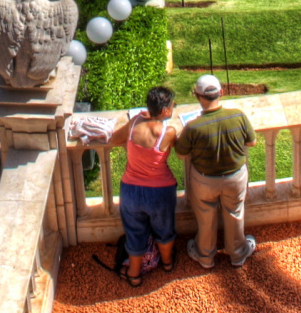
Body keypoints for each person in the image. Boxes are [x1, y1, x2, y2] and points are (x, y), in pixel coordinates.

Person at [175, 73, 257, 270]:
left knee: (205, 217)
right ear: (221, 92)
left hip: (204, 181)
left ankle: (205, 257)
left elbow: (180, 154)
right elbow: (252, 142)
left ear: (197, 96)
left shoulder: (193, 127)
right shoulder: (238, 116)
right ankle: (237, 255)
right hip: (235, 178)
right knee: (235, 213)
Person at [108, 85, 179, 286]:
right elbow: (180, 149)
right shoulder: (168, 132)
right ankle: (167, 263)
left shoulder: (134, 123)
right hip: (161, 191)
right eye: (172, 105)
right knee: (164, 229)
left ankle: (134, 274)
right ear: (165, 110)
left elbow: (114, 139)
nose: (173, 107)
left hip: (131, 190)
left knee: (134, 231)